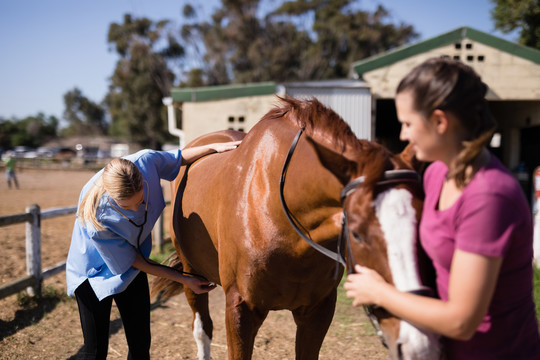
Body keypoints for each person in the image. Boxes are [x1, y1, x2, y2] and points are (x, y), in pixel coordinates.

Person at [344, 57, 540, 359]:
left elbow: (462, 321)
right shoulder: (436, 174)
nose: (404, 135)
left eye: (408, 123)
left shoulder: (488, 197)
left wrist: (380, 293)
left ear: (439, 121)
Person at [66, 140, 241, 360]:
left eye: (139, 201)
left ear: (143, 181)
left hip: (130, 267)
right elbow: (134, 260)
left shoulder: (146, 162)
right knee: (95, 352)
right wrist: (183, 279)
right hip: (93, 273)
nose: (136, 210)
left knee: (140, 347)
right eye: (125, 206)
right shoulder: (97, 219)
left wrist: (213, 148)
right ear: (111, 197)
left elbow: (179, 158)